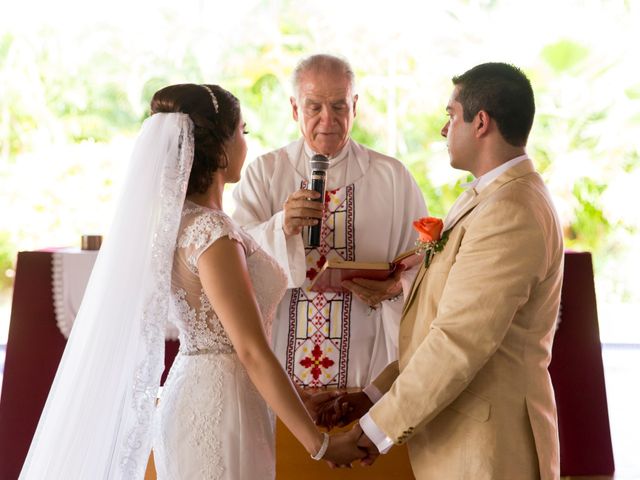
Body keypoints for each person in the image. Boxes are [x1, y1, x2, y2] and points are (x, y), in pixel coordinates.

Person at [20, 84, 364, 479]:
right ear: (219, 147)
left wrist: (297, 400)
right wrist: (320, 445)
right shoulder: (211, 232)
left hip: (211, 394)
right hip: (218, 410)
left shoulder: (180, 223)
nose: (245, 145)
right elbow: (249, 348)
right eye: (243, 132)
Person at [321, 62, 564, 479]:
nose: (443, 129)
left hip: (489, 450)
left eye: (450, 116)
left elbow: (457, 343)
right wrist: (373, 395)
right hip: (462, 442)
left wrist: (368, 434)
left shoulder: (510, 211)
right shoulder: (486, 197)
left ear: (481, 122)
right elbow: (438, 325)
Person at [232, 54, 428, 389]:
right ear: (295, 109)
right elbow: (233, 258)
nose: (328, 119)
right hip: (280, 359)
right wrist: (281, 228)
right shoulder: (264, 174)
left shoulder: (393, 178)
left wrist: (396, 286)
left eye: (339, 106)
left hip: (365, 361)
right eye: (314, 107)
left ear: (355, 106)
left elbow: (424, 262)